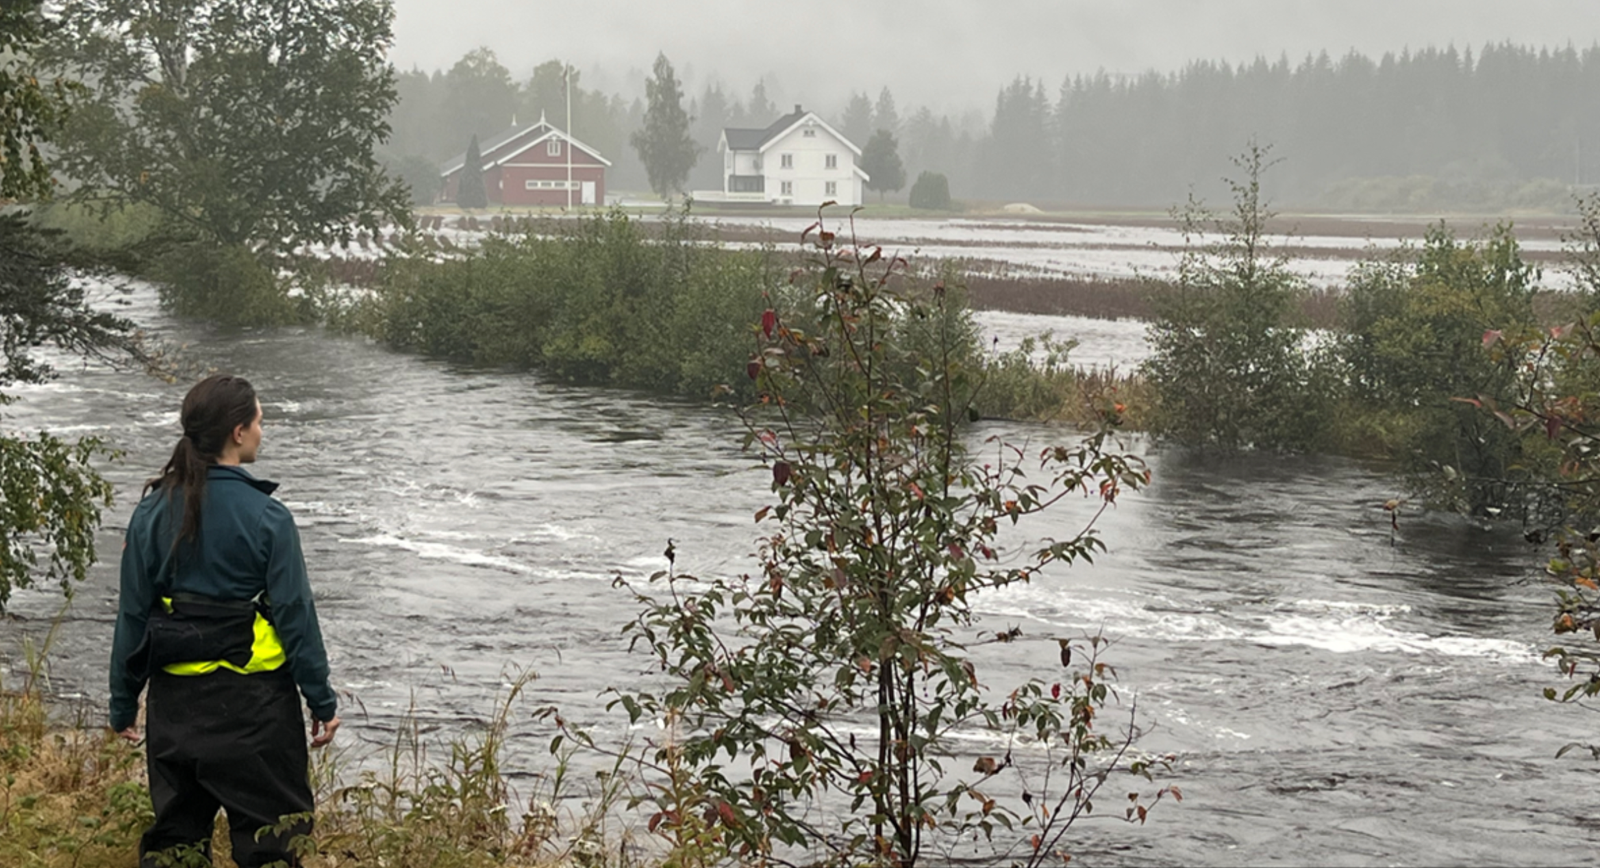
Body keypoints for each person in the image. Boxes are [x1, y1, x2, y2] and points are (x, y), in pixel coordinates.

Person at [108, 374, 340, 867]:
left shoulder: (150, 513)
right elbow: (295, 617)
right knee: (272, 848)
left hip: (175, 711)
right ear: (238, 431)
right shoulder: (268, 518)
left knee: (175, 849)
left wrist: (123, 702)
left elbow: (132, 614)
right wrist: (320, 698)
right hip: (256, 712)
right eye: (259, 420)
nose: (263, 430)